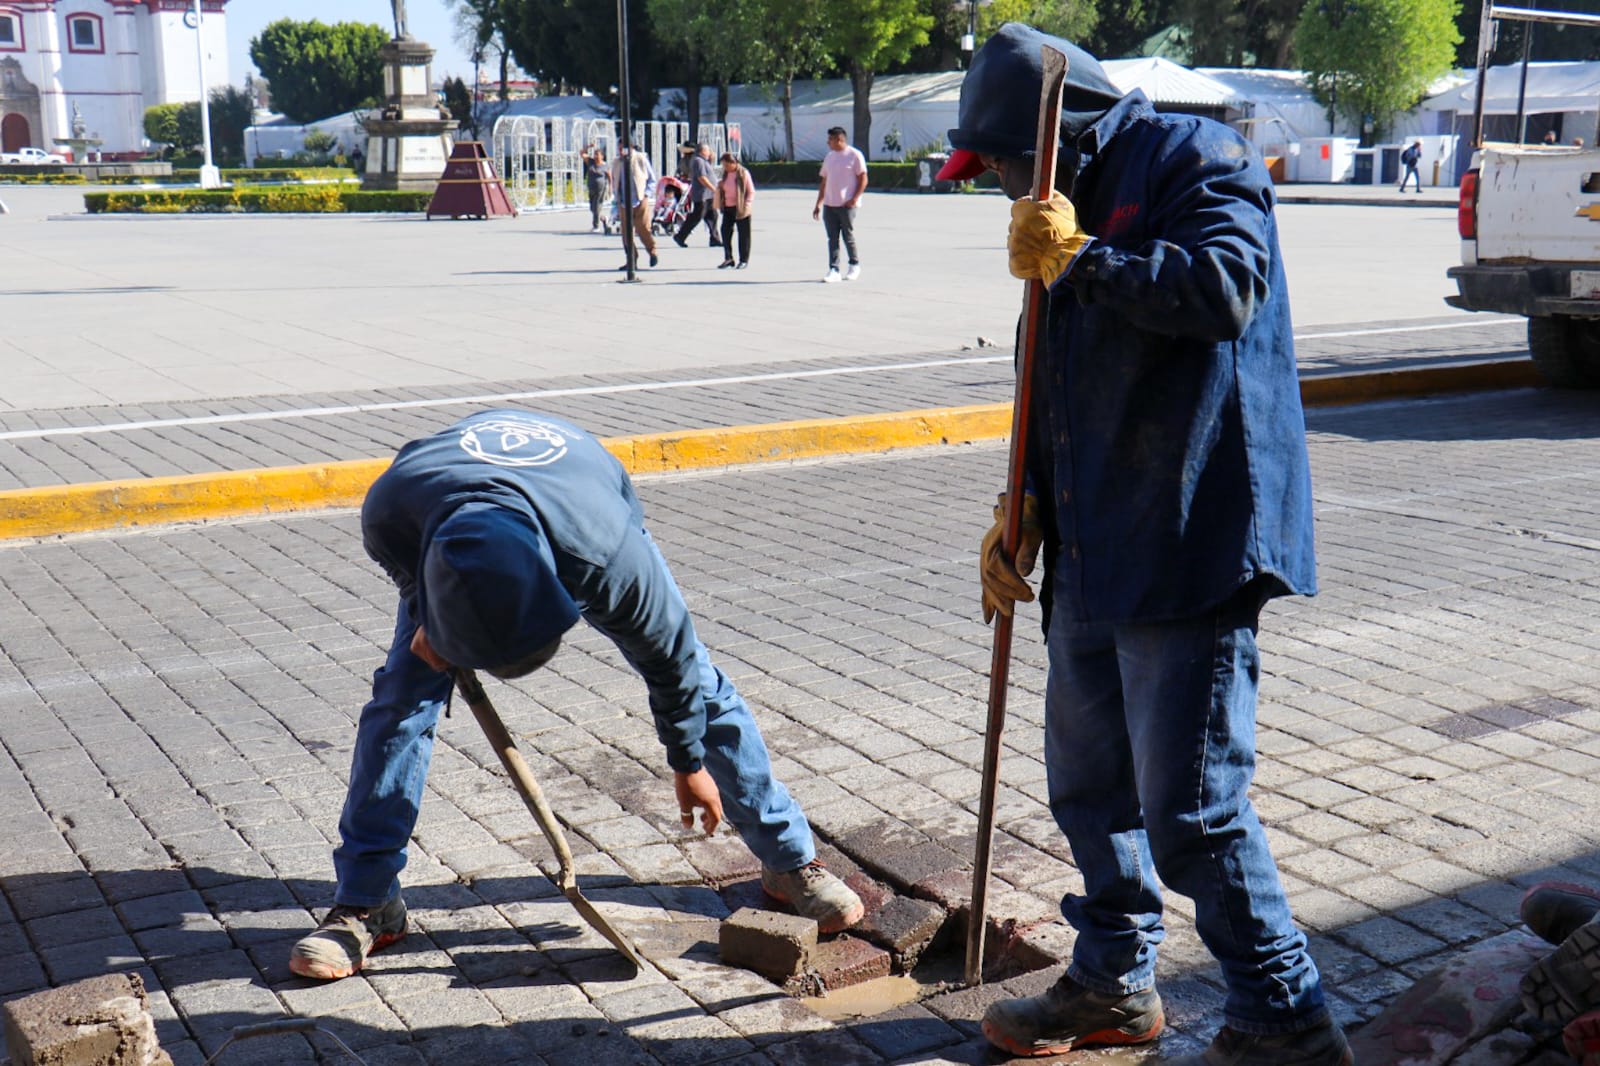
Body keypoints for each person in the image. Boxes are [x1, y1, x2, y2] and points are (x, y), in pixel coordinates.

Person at [934, 24, 1347, 1065]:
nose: (993, 191)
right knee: (1087, 787)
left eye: (997, 169)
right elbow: (1051, 357)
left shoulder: (1193, 158)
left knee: (1191, 813)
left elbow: (1224, 289)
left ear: (1059, 128)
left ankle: (1284, 1019)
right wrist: (1021, 505)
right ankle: (1114, 982)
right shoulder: (1052, 203)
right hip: (1092, 536)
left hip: (1186, 534)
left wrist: (1083, 256)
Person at [288, 410, 865, 981]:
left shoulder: (609, 560)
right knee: (399, 708)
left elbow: (676, 665)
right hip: (438, 511)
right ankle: (367, 901)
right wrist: (428, 612)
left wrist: (687, 760)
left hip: (579, 484)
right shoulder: (389, 511)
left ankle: (789, 860)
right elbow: (408, 571)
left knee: (702, 689)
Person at [813, 126, 867, 283]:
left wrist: (854, 199)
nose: (827, 142)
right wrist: (819, 202)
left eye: (830, 139)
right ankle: (834, 269)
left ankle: (854, 265)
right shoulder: (830, 157)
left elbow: (863, 178)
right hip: (830, 204)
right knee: (832, 238)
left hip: (847, 204)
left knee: (847, 235)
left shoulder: (854, 155)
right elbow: (824, 181)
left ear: (839, 139)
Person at [611, 145, 659, 269]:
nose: (621, 151)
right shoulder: (616, 162)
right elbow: (614, 180)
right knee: (626, 232)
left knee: (643, 228)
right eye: (619, 148)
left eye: (623, 148)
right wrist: (616, 198)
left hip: (639, 199)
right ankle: (632, 260)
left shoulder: (640, 158)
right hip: (623, 202)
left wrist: (646, 194)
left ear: (630, 147)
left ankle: (652, 251)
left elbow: (652, 180)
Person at [675, 142, 722, 249]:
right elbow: (702, 178)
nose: (710, 152)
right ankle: (680, 236)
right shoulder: (698, 161)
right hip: (702, 194)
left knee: (712, 216)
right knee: (697, 216)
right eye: (708, 150)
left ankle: (715, 238)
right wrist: (713, 189)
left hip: (708, 195)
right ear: (703, 151)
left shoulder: (704, 161)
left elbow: (711, 164)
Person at [714, 153, 755, 270]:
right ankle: (728, 258)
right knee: (725, 231)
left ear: (733, 163)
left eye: (726, 165)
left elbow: (751, 191)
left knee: (744, 234)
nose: (725, 167)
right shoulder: (726, 174)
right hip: (728, 207)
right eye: (723, 165)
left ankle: (743, 260)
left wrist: (747, 204)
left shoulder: (743, 173)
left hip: (741, 208)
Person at [581, 144, 610, 232]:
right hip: (591, 188)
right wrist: (588, 146)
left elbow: (610, 176)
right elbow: (582, 153)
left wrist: (611, 188)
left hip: (601, 189)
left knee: (597, 206)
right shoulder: (590, 162)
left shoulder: (605, 165)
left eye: (598, 154)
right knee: (592, 208)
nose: (596, 156)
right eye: (595, 154)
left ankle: (596, 226)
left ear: (602, 156)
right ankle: (604, 218)